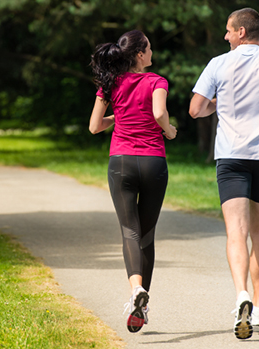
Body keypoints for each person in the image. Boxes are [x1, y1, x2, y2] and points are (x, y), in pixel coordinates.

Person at [188, 8, 259, 340]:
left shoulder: (218, 64)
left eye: (228, 31)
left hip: (231, 158)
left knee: (236, 233)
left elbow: (196, 108)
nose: (225, 36)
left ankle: (241, 294)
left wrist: (218, 105)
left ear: (241, 32)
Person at [89, 30, 177, 333]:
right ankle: (142, 302)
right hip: (153, 162)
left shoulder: (110, 84)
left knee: (129, 231)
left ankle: (136, 290)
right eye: (149, 49)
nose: (152, 53)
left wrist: (119, 117)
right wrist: (169, 130)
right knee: (147, 234)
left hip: (121, 163)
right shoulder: (157, 81)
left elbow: (93, 127)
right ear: (139, 54)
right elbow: (158, 112)